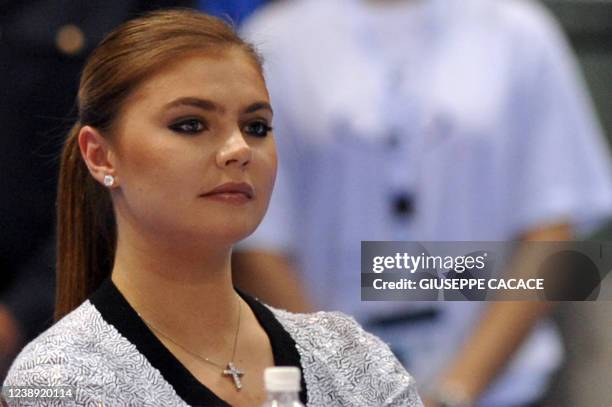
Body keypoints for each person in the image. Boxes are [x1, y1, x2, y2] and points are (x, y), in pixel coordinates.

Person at [1, 9, 422, 407]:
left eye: (256, 127)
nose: (239, 149)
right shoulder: (62, 380)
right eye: (191, 125)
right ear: (100, 155)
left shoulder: (351, 357)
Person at [236, 0, 612, 406]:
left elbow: (554, 225)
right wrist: (345, 382)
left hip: (505, 388)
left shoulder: (518, 30)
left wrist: (456, 391)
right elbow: (257, 238)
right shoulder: (278, 39)